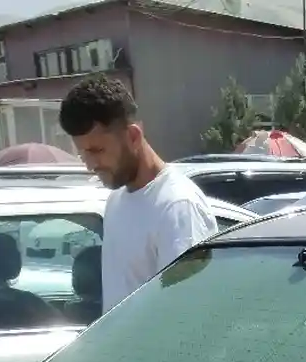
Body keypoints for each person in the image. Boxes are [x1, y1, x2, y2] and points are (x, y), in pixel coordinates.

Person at [59, 73, 216, 311]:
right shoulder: (116, 201)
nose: (90, 165)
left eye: (97, 150)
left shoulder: (177, 207)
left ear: (133, 136)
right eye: (83, 154)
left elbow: (188, 312)